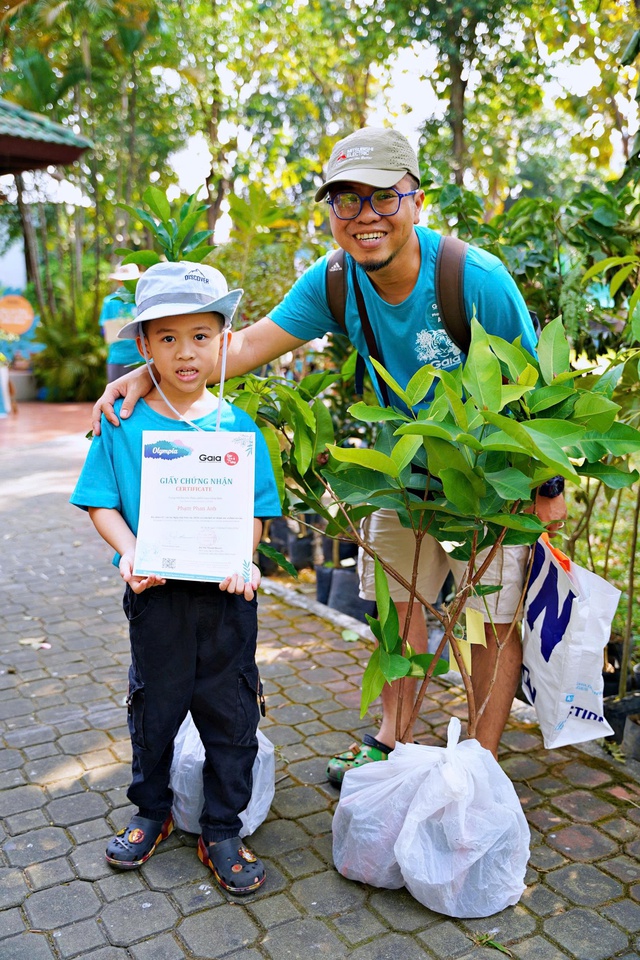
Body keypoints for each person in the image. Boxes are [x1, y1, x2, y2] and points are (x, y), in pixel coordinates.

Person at [91, 127, 567, 783]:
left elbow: (536, 390)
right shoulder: (335, 280)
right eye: (347, 201)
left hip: (491, 482)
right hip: (403, 478)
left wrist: (547, 489)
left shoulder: (471, 277)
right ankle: (390, 739)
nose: (365, 216)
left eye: (382, 197)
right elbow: (246, 346)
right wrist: (148, 372)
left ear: (416, 200)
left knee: (487, 625)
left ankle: (481, 764)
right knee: (396, 614)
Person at [72, 261, 281, 892]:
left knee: (231, 711)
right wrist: (129, 551)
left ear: (223, 339)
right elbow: (99, 500)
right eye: (167, 338)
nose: (185, 352)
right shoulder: (123, 422)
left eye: (199, 335)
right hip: (155, 596)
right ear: (144, 347)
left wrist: (244, 557)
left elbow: (257, 512)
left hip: (225, 601)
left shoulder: (238, 429)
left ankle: (223, 826)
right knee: (154, 708)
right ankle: (152, 811)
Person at [100, 262, 142, 383]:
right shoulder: (109, 302)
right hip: (118, 358)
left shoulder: (141, 300)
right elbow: (104, 331)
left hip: (142, 359)